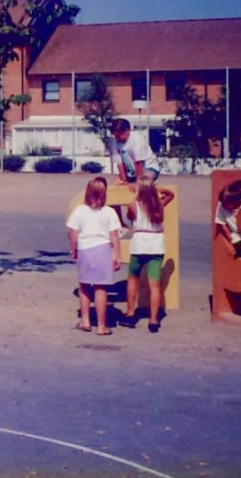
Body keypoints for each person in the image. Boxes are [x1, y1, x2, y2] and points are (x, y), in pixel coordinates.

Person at [66, 177, 122, 336]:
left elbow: (73, 233)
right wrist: (117, 256)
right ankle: (102, 325)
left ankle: (85, 321)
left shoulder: (80, 211)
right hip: (103, 250)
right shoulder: (109, 212)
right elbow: (114, 235)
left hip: (85, 250)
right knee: (101, 287)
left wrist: (73, 251)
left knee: (84, 286)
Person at [122, 176, 175, 332]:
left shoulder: (133, 205)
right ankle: (153, 320)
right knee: (155, 285)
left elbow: (130, 218)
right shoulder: (159, 204)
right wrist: (158, 188)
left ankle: (131, 314)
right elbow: (171, 195)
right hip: (156, 245)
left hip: (139, 244)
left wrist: (135, 192)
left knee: (133, 279)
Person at [110, 118, 159, 184]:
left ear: (127, 131)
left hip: (149, 168)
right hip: (131, 172)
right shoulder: (115, 142)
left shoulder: (137, 139)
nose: (117, 138)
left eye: (118, 135)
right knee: (115, 186)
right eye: (115, 136)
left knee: (143, 183)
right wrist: (124, 181)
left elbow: (139, 163)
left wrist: (138, 183)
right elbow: (120, 164)